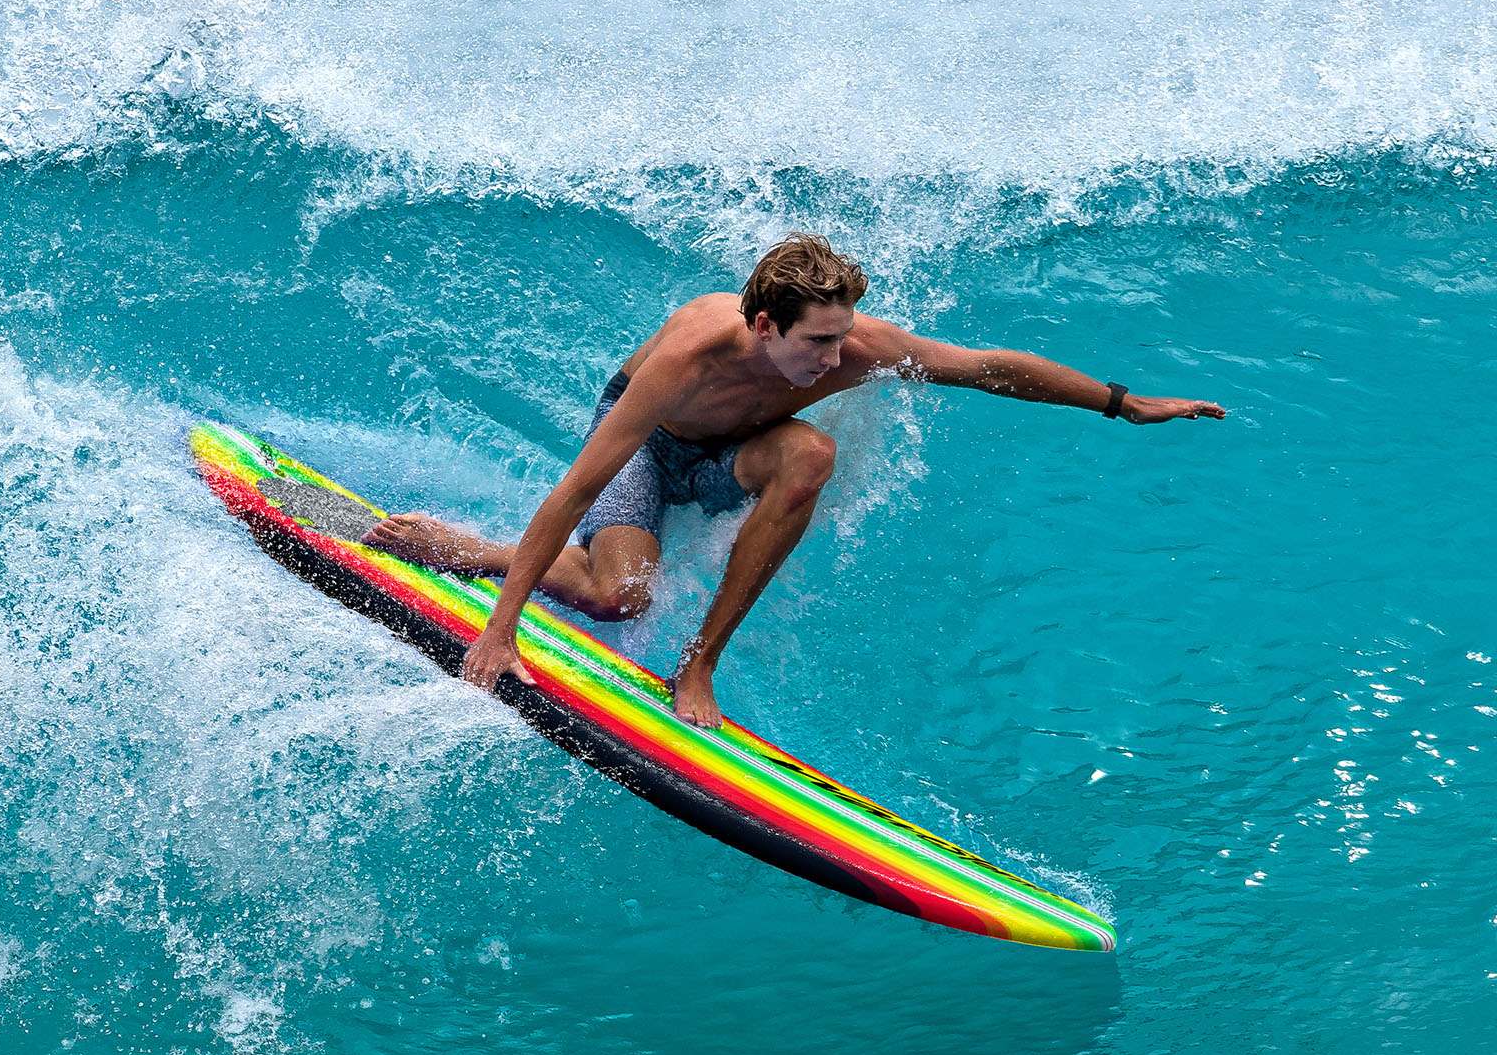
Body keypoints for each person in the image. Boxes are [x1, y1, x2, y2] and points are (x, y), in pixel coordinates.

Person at [363, 233, 1226, 729]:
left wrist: (1124, 403)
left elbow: (989, 366)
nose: (835, 356)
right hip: (653, 446)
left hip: (735, 454)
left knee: (811, 452)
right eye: (815, 341)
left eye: (841, 335)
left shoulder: (854, 346)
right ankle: (476, 554)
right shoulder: (687, 359)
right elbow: (576, 491)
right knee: (618, 599)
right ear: (764, 322)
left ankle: (697, 669)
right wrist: (497, 634)